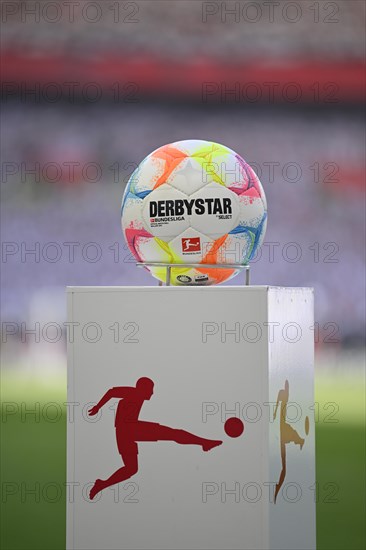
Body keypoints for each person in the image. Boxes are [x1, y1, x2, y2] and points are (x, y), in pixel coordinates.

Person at [88, 377, 222, 500]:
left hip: (125, 433)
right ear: (143, 388)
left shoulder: (136, 395)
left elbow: (112, 393)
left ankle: (102, 484)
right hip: (130, 429)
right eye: (151, 389)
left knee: (132, 469)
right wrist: (98, 407)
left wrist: (99, 407)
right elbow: (111, 392)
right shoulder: (133, 392)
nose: (152, 393)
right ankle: (203, 443)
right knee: (173, 434)